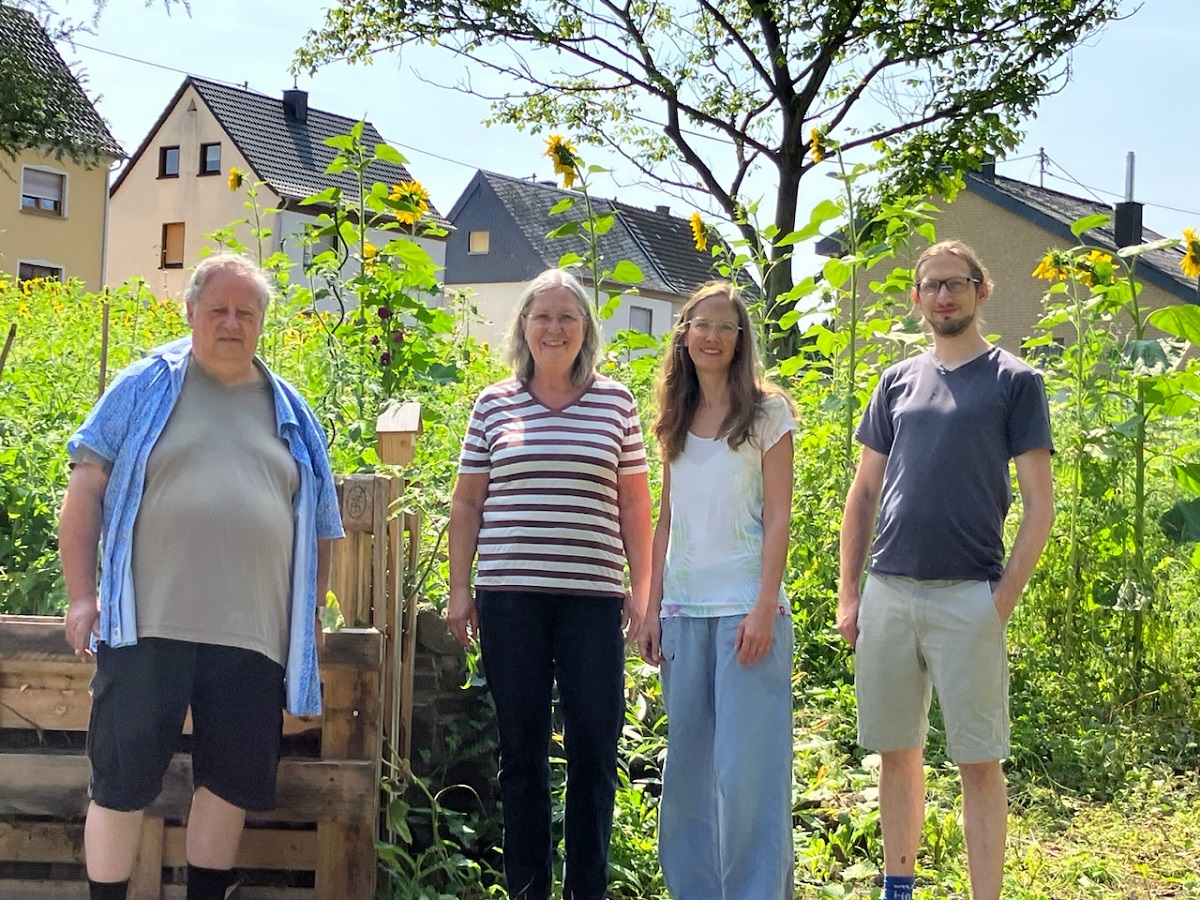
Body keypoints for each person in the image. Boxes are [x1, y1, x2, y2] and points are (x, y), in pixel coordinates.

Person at [59, 254, 344, 900]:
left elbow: (322, 525)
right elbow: (84, 494)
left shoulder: (292, 412)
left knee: (227, 785)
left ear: (263, 323)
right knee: (121, 782)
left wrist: (311, 617)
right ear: (190, 313)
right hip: (144, 625)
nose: (231, 323)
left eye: (246, 312)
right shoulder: (143, 387)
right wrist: (81, 597)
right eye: (217, 309)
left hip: (252, 636)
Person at [837, 240, 1055, 900]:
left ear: (980, 290)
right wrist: (849, 595)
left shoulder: (1015, 382)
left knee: (978, 761)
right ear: (917, 298)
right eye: (931, 286)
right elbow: (864, 492)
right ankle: (896, 887)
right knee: (896, 754)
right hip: (890, 590)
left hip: (971, 597)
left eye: (956, 284)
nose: (943, 296)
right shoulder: (896, 380)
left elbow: (1041, 507)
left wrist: (1001, 601)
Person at [446, 267, 653, 900]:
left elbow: (635, 505)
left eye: (567, 316)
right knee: (522, 753)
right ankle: (528, 889)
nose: (554, 327)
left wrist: (643, 595)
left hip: (593, 601)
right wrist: (460, 588)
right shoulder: (493, 403)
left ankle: (585, 890)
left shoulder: (616, 402)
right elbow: (468, 505)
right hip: (510, 599)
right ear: (524, 327)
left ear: (585, 328)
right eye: (542, 316)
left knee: (594, 745)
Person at [635, 281, 797, 899]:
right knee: (688, 776)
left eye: (725, 327)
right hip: (682, 615)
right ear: (684, 333)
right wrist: (650, 609)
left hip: (746, 618)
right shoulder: (673, 417)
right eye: (701, 324)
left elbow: (780, 516)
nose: (711, 336)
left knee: (746, 775)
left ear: (740, 339)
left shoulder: (767, 412)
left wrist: (763, 607)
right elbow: (666, 519)